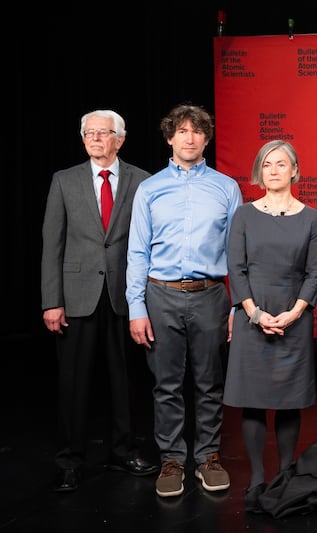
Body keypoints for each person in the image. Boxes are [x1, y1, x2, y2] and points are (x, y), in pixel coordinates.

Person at [126, 103, 242, 498]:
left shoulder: (226, 188)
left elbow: (237, 253)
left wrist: (237, 305)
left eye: (197, 131)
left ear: (206, 139)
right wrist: (136, 308)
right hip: (160, 295)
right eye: (182, 131)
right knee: (167, 384)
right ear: (169, 137)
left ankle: (208, 457)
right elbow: (137, 252)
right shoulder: (150, 189)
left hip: (211, 295)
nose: (189, 138)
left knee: (210, 382)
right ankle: (172, 460)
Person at [41, 109, 158, 492]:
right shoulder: (64, 180)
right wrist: (51, 300)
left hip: (127, 295)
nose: (94, 139)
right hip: (76, 297)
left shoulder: (143, 180)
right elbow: (52, 244)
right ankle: (69, 461)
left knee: (125, 380)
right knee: (74, 382)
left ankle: (123, 452)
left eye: (102, 133)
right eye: (88, 133)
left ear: (119, 139)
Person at [222, 140, 317, 512]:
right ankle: (256, 478)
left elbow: (314, 272)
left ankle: (284, 474)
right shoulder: (244, 216)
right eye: (267, 165)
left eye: (281, 164)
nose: (274, 171)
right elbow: (236, 269)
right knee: (253, 400)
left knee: (288, 400)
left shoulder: (310, 218)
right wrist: (254, 313)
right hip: (252, 315)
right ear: (259, 172)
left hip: (294, 317)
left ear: (295, 171)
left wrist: (295, 313)